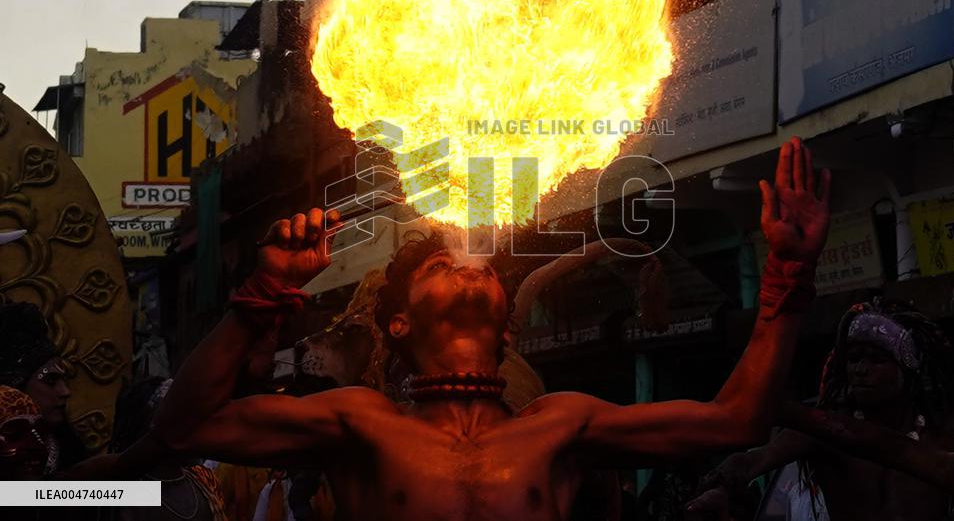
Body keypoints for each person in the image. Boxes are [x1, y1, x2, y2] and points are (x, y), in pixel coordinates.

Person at [80, 137, 831, 520]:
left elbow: (738, 420)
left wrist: (785, 280)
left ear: (505, 317)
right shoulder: (359, 422)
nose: (471, 263)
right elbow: (184, 430)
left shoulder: (561, 423)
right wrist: (266, 287)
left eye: (478, 267)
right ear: (399, 319)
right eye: (440, 264)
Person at [686, 301, 954, 521]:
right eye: (854, 359)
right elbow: (752, 461)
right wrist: (721, 488)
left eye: (876, 360)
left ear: (908, 371)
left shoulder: (947, 440)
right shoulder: (826, 432)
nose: (861, 370)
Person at [108, 377, 227, 521]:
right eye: (184, 420)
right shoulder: (125, 489)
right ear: (152, 426)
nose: (196, 429)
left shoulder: (202, 479)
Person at [0, 302, 86, 474]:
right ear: (15, 388)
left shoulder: (66, 447)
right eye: (50, 381)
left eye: (63, 380)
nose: (65, 391)